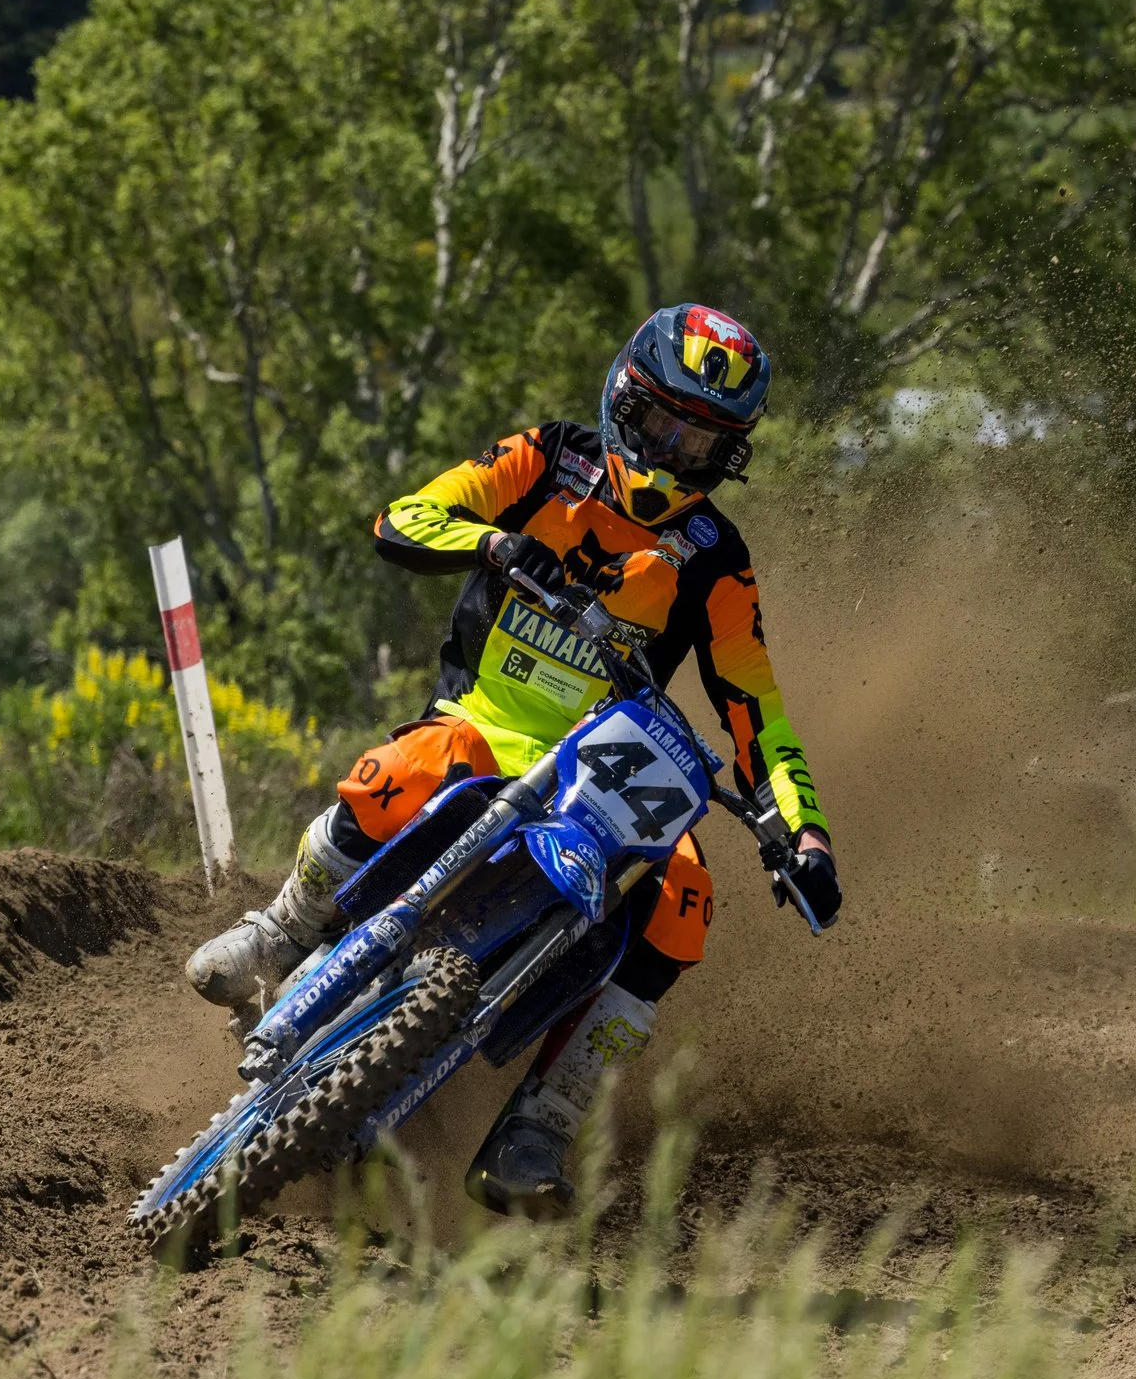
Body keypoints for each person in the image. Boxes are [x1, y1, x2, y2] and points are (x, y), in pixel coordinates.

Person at [185, 304, 841, 1216]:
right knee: (399, 772)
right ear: (625, 398)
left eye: (702, 442)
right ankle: (281, 931)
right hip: (485, 719)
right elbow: (407, 514)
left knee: (686, 894)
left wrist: (802, 832)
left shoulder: (715, 560)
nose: (675, 451)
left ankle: (544, 1117)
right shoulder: (547, 458)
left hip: (607, 768)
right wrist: (490, 539)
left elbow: (755, 706)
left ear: (728, 454)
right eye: (664, 424)